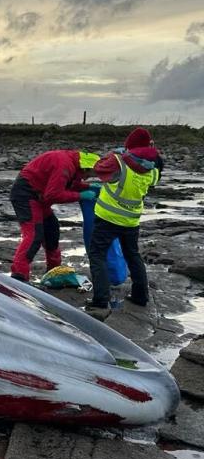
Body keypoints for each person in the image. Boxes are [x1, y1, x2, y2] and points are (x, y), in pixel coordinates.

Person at [84, 128, 163, 317]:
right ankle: (140, 296)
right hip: (131, 221)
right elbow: (158, 173)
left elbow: (98, 168)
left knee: (97, 255)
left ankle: (100, 301)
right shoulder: (151, 168)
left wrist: (115, 153)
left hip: (107, 218)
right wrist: (154, 152)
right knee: (133, 255)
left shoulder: (118, 161)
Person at [9, 150, 100, 282]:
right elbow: (53, 194)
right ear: (85, 167)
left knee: (52, 230)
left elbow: (67, 183)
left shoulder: (73, 164)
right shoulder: (64, 165)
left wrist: (87, 187)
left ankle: (53, 272)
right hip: (26, 194)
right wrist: (80, 195)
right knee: (34, 235)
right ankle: (19, 276)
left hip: (40, 196)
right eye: (89, 175)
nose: (86, 178)